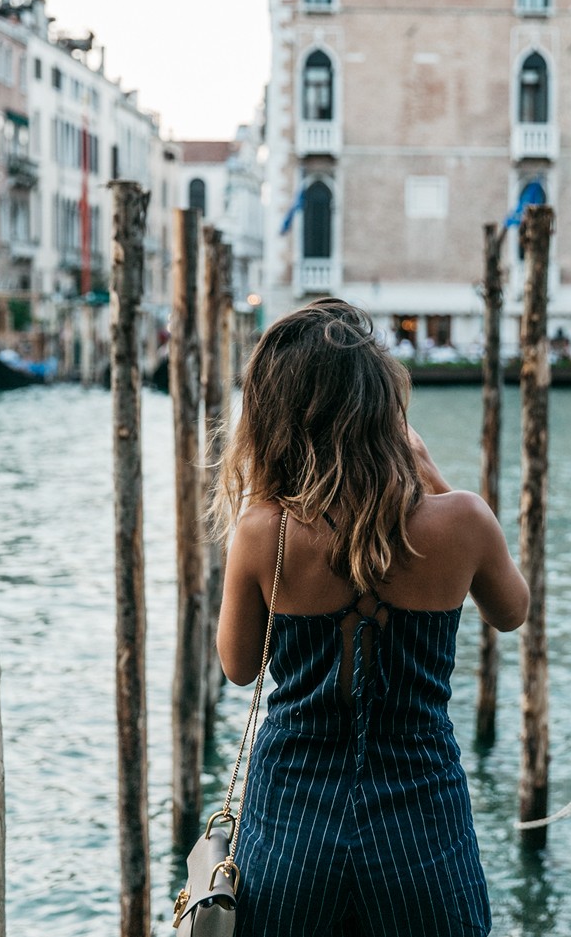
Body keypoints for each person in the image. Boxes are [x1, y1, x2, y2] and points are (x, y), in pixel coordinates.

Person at [214, 298, 529, 937]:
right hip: (420, 822)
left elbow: (239, 668)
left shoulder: (262, 531)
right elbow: (512, 611)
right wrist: (434, 479)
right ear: (384, 402)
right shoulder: (463, 521)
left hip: (292, 825)